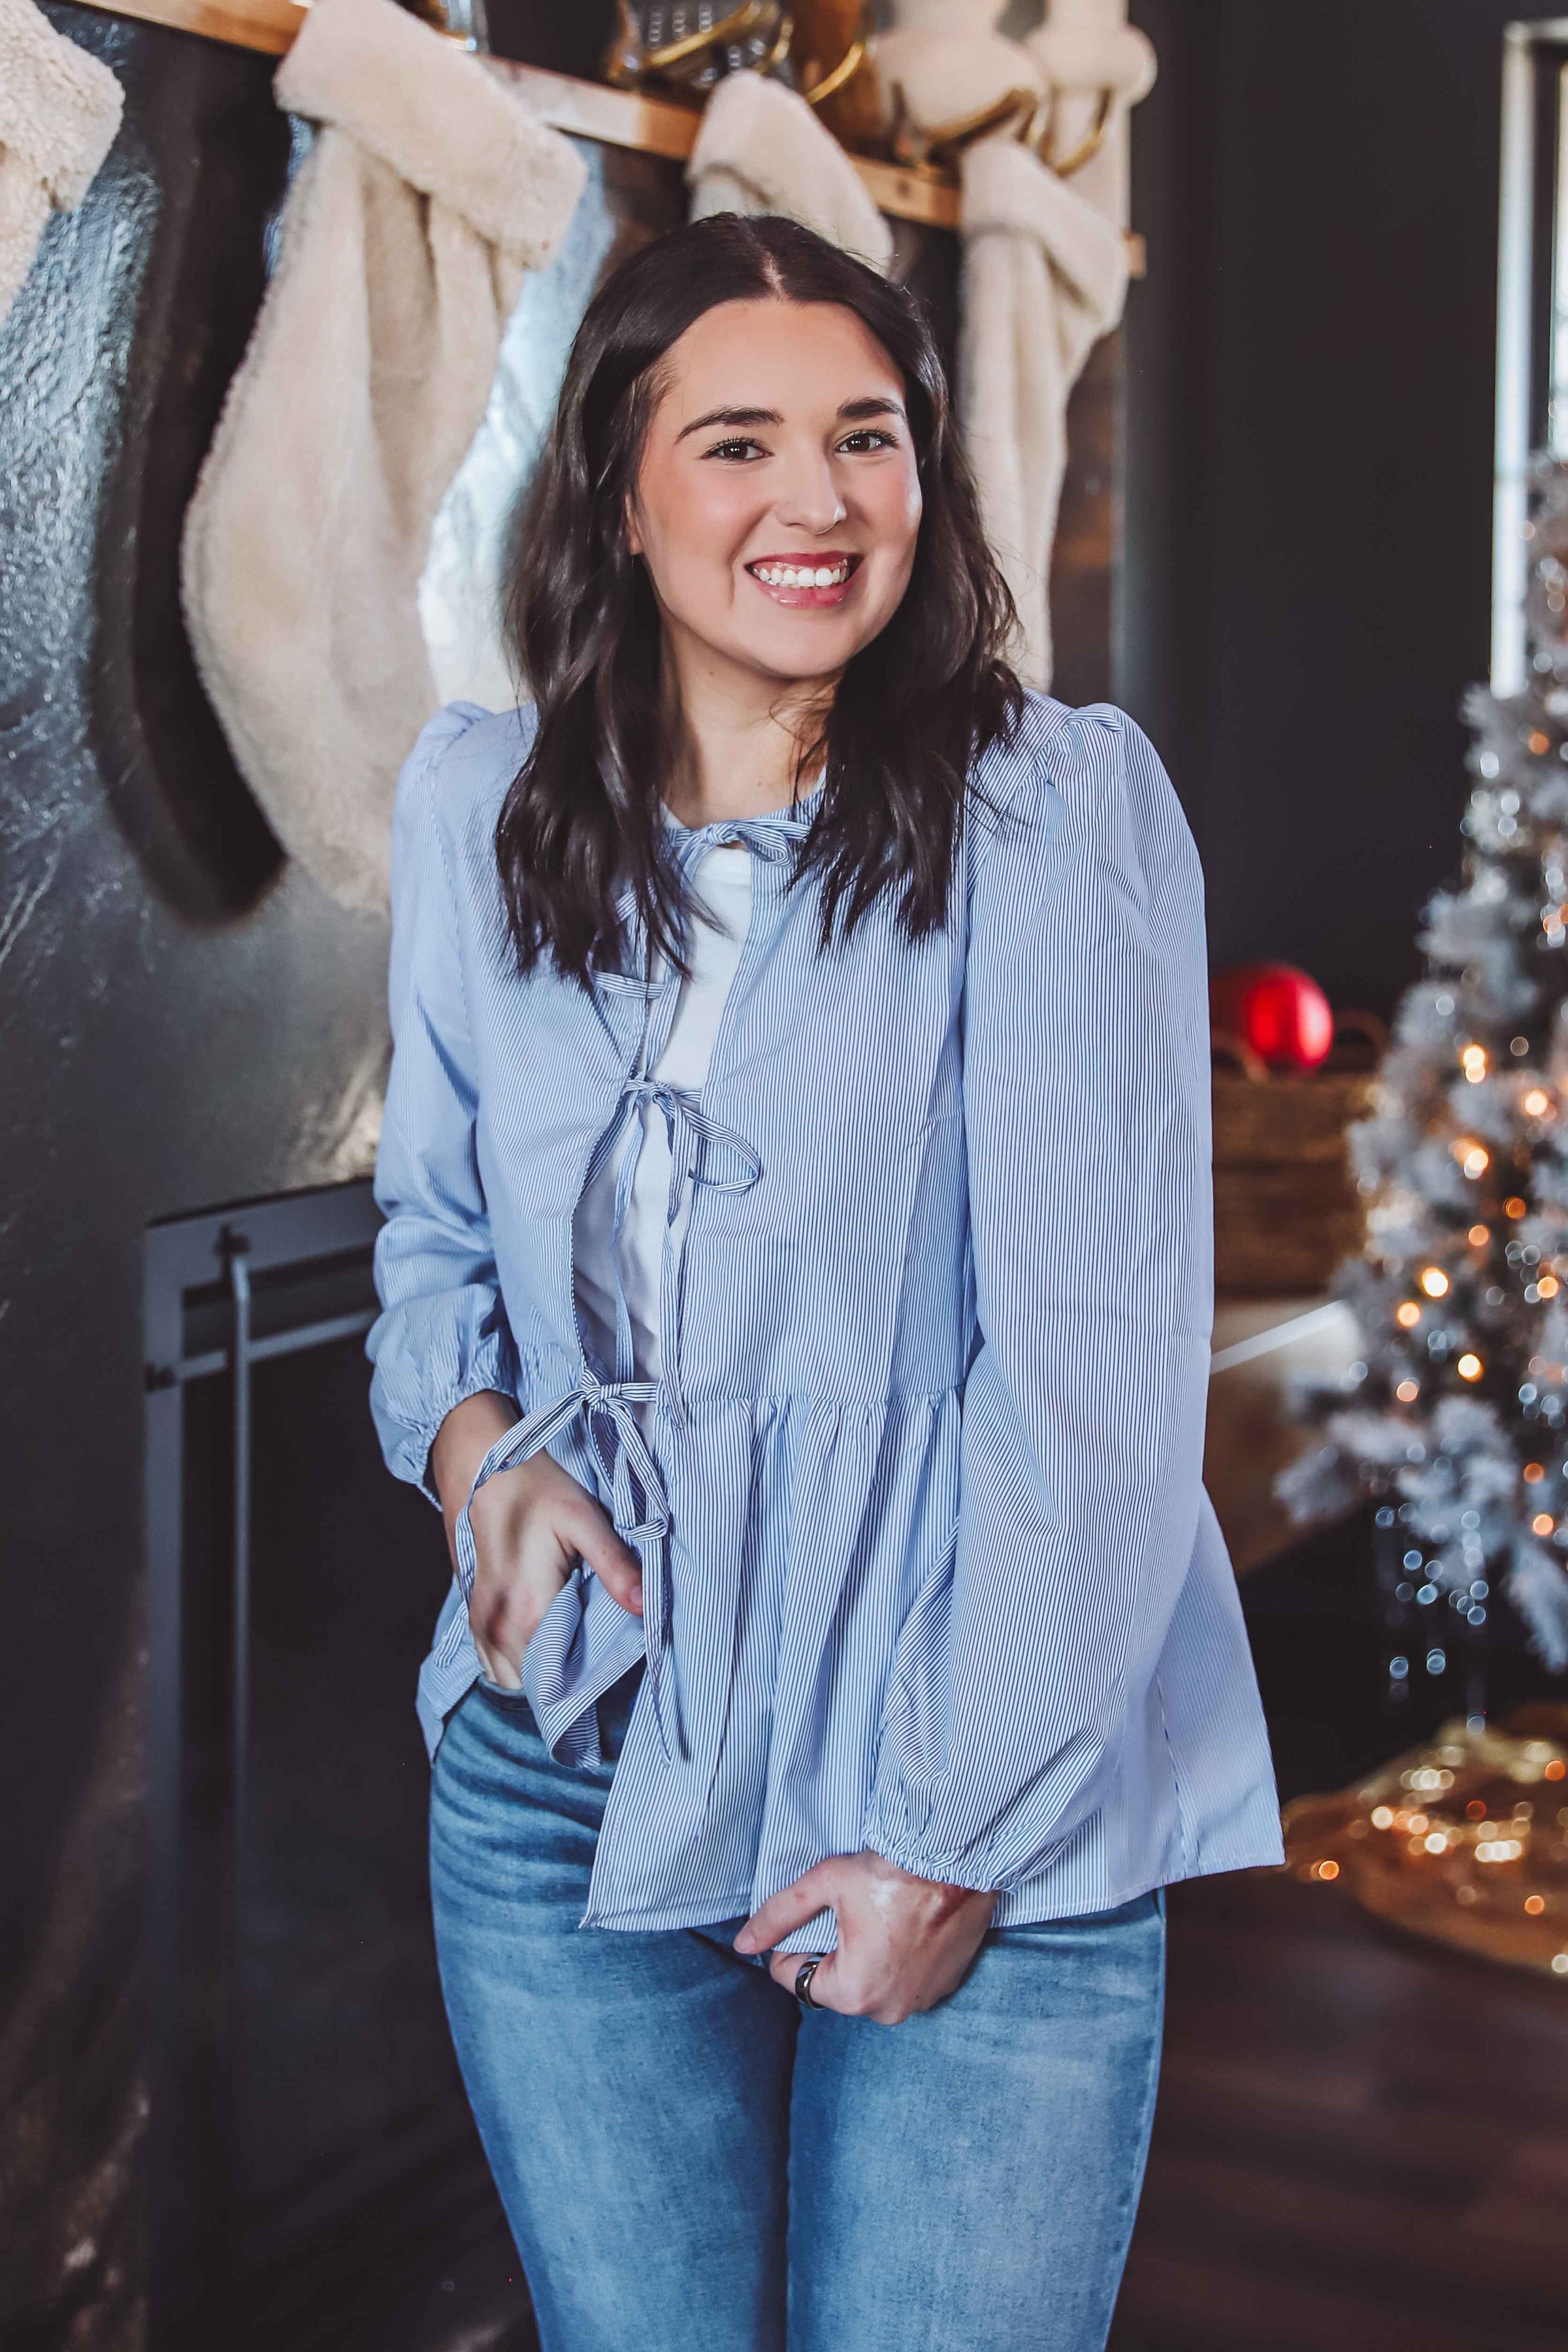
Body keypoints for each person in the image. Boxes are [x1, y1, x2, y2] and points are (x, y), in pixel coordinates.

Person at [367, 210, 1282, 2352]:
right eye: (739, 443)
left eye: (867, 437)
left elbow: (1095, 1376)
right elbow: (427, 1240)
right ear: (619, 490)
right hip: (572, 1758)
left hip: (964, 1785)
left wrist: (954, 1833)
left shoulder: (1048, 813)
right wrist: (480, 1456)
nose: (820, 500)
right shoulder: (481, 804)